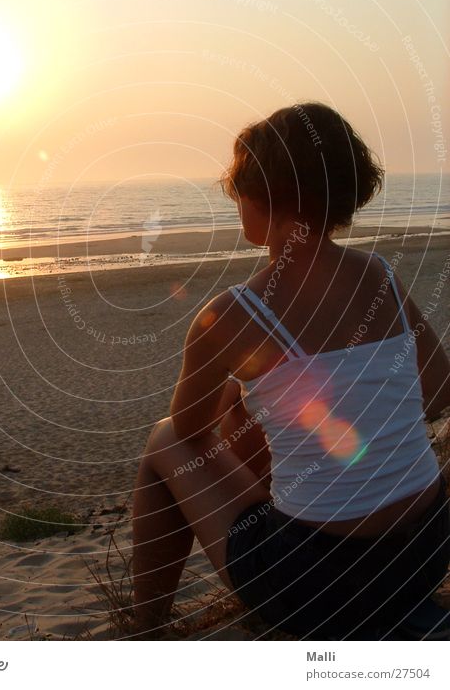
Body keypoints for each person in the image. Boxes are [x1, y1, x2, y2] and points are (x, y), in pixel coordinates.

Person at [132, 102, 450, 639]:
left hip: (317, 581)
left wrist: (244, 399)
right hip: (424, 548)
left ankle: (142, 631)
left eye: (237, 191)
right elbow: (440, 391)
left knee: (164, 442)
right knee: (259, 406)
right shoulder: (381, 277)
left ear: (265, 200)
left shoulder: (231, 315)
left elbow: (189, 433)